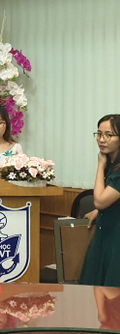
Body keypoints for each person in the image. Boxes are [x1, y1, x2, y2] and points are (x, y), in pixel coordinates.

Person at [80, 114, 120, 287]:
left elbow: (100, 201)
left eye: (109, 135)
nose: (101, 140)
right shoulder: (113, 163)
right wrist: (98, 211)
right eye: (99, 134)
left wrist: (101, 165)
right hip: (106, 233)